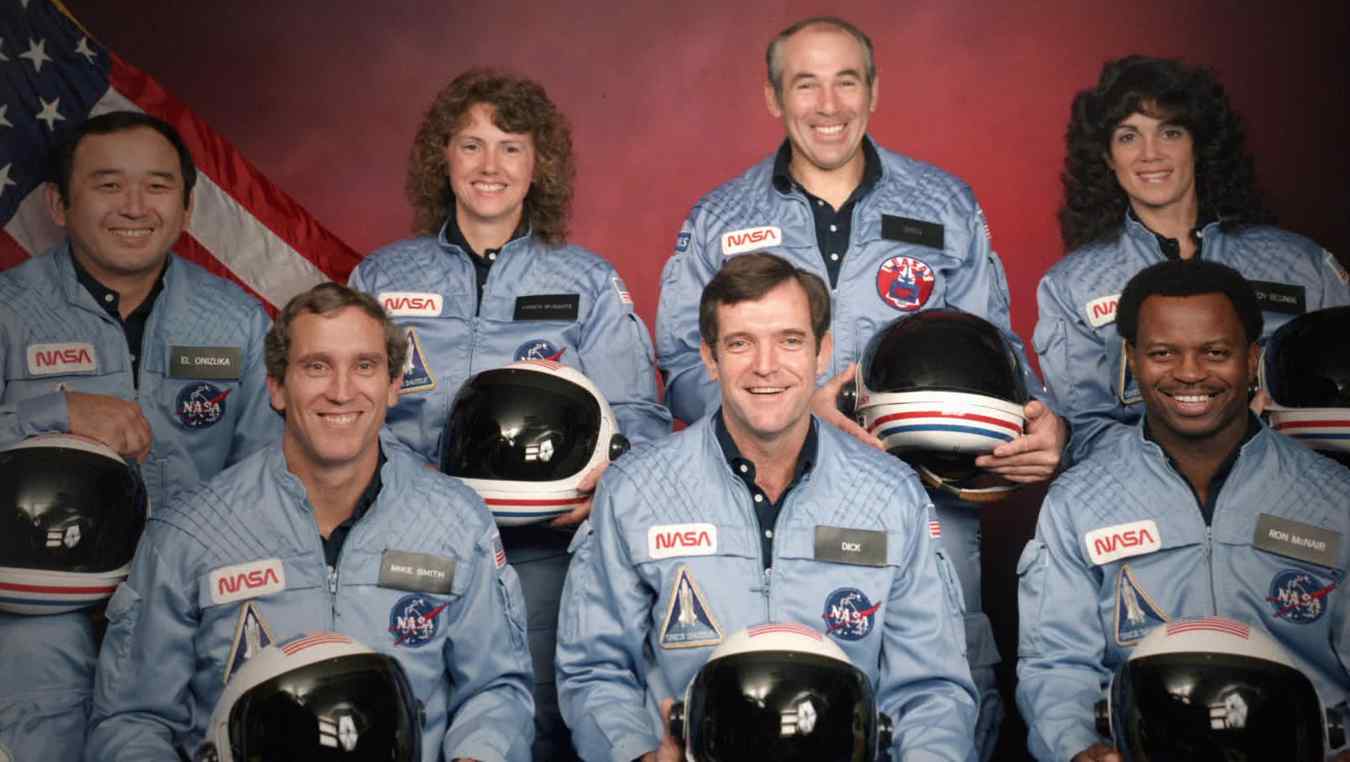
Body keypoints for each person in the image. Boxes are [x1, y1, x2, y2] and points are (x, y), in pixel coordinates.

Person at [653, 17, 1065, 755]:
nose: (828, 103)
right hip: (765, 499)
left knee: (940, 695)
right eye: (805, 83)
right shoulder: (721, 219)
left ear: (874, 91)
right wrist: (787, 406)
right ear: (774, 98)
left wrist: (1040, 421)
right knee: (779, 700)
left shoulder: (946, 204)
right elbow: (685, 366)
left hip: (929, 500)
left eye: (847, 80)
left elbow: (997, 353)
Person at [349, 69, 670, 760]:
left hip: (542, 553)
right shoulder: (381, 279)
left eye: (511, 147)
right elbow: (340, 409)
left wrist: (604, 488)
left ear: (539, 165)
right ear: (443, 156)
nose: (489, 167)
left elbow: (639, 418)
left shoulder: (585, 281)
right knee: (405, 714)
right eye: (471, 145)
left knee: (544, 720)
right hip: (410, 542)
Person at [86, 283, 534, 761]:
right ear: (277, 387)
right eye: (316, 366)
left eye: (364, 366)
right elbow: (133, 720)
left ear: (394, 384)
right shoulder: (191, 534)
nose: (341, 392)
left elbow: (496, 688)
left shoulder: (455, 523)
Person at [558, 253, 977, 761]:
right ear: (710, 358)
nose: (765, 366)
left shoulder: (891, 495)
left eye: (789, 340)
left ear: (822, 353)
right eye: (740, 344)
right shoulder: (636, 491)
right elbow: (594, 668)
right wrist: (635, 754)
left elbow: (932, 691)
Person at [0, 111, 278, 762]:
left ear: (185, 207)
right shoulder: (10, 311)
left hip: (188, 600)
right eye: (106, 185)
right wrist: (52, 413)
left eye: (156, 187)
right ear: (58, 204)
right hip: (33, 609)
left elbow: (269, 476)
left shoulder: (234, 319)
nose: (133, 207)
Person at [1016, 260, 1350, 762]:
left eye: (1215, 352)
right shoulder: (1079, 502)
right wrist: (1076, 748)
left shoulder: (1333, 499)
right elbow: (1054, 663)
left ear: (1252, 358)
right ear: (1131, 358)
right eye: (1162, 353)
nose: (1190, 373)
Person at [1035, 54, 1350, 464]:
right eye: (1128, 136)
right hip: (1152, 501)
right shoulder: (1074, 285)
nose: (1150, 154)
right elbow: (1086, 434)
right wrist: (1197, 446)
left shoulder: (1300, 264)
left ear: (1198, 143)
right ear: (1108, 157)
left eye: (1170, 132)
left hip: (1296, 490)